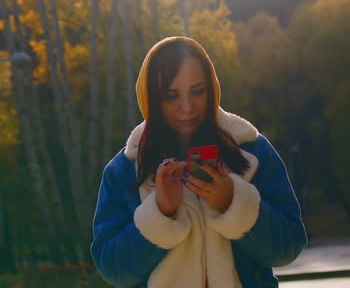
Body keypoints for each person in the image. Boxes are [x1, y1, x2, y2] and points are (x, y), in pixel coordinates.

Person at [91, 37, 307, 288]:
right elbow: (113, 269)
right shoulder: (124, 171)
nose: (187, 107)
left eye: (197, 91)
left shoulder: (254, 151)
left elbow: (288, 247)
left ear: (212, 88)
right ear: (149, 97)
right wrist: (160, 213)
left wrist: (232, 202)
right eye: (171, 95)